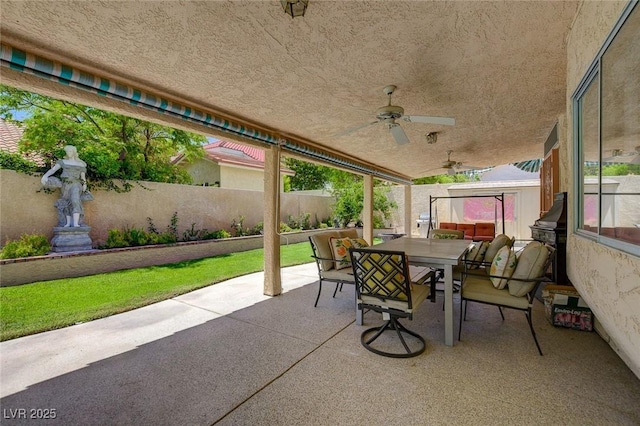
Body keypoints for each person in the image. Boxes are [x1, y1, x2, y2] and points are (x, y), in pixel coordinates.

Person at [41, 145, 90, 227]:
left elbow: (83, 177)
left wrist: (84, 184)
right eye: (67, 151)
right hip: (65, 185)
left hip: (76, 184)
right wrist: (45, 176)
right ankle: (68, 223)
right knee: (66, 201)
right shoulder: (63, 162)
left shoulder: (81, 164)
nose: (68, 153)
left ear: (74, 152)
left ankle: (75, 223)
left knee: (75, 200)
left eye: (70, 151)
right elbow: (53, 170)